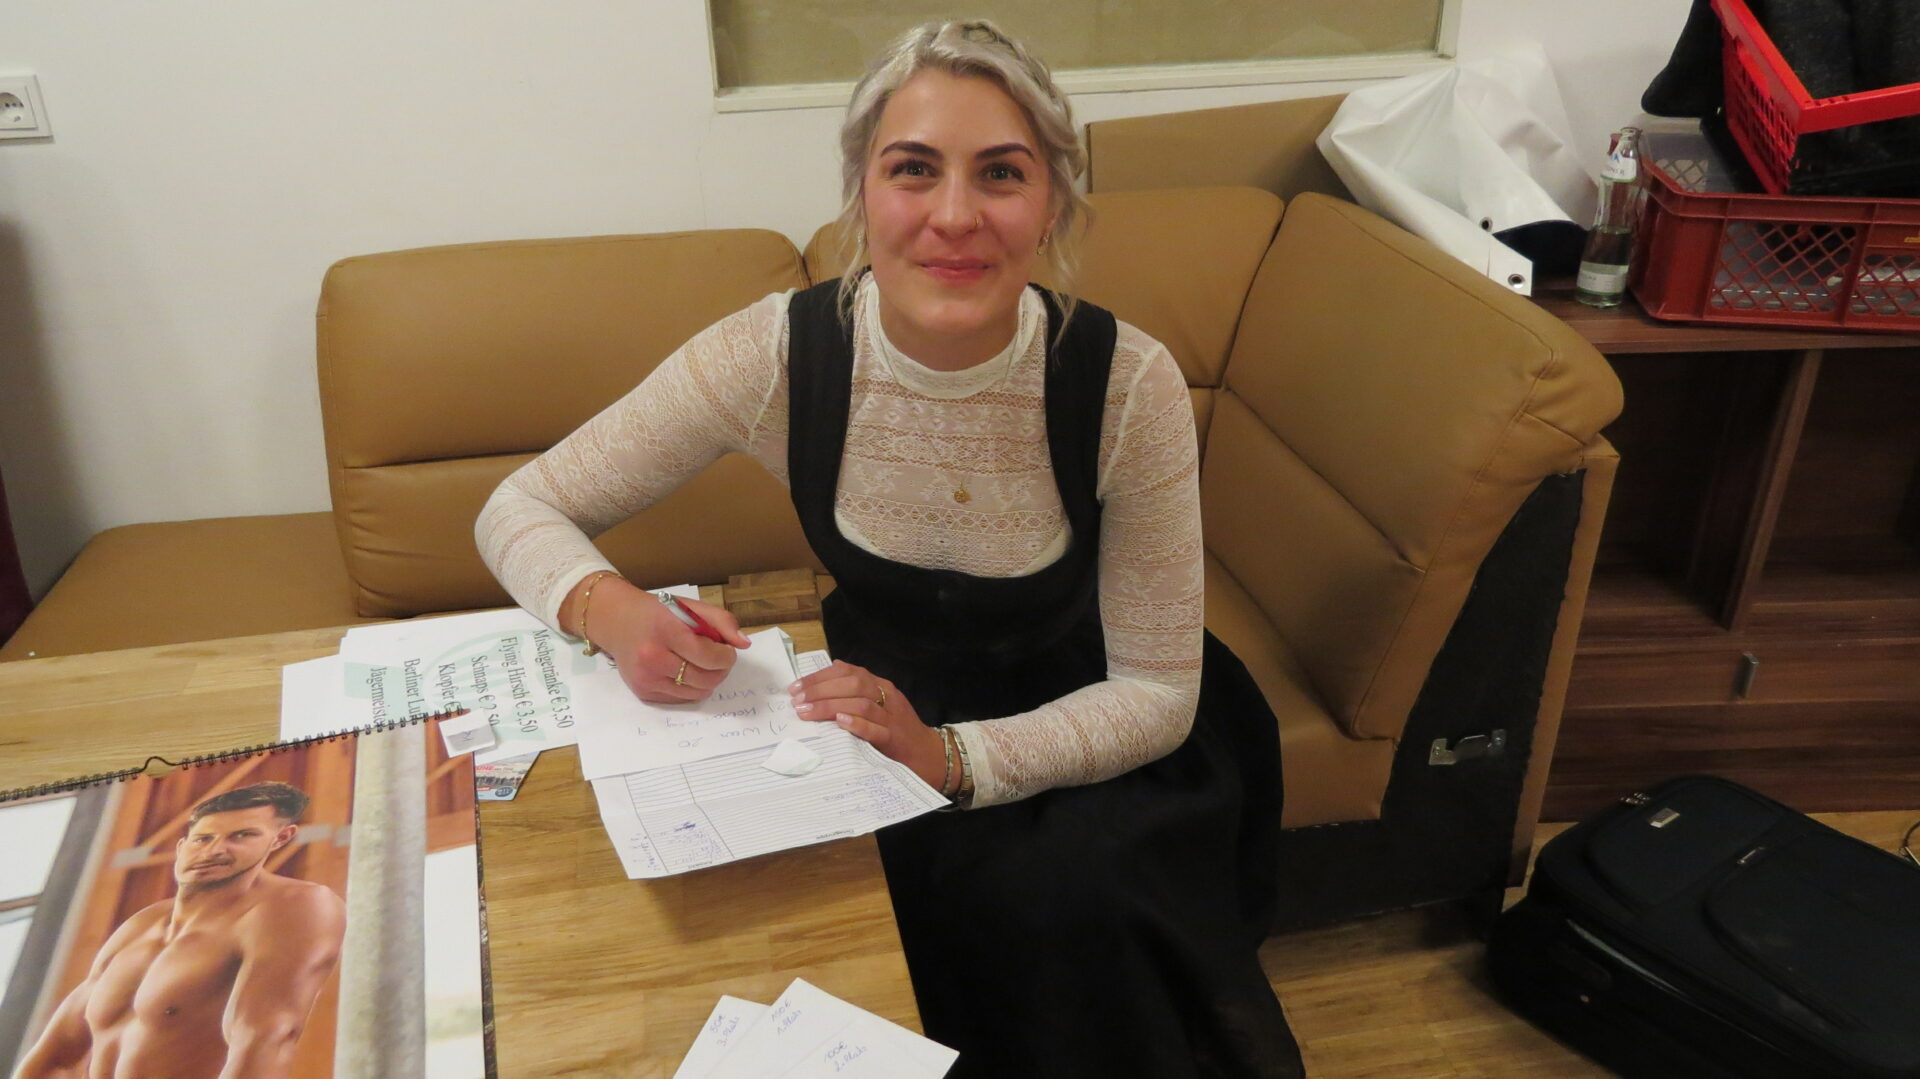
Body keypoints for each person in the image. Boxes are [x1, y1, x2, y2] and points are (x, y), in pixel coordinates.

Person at [476, 19, 1304, 1077]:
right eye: (914, 169)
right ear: (861, 193)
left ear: (1052, 204)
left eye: (1000, 173)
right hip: (871, 713)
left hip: (1093, 733)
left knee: (1064, 914)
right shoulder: (777, 355)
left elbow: (1155, 692)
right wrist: (609, 608)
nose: (955, 215)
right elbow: (519, 504)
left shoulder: (1124, 384)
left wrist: (949, 758)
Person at [13, 782, 347, 1079]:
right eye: (203, 838)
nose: (214, 850)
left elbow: (266, 1039)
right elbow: (57, 1057)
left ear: (280, 838)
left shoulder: (293, 907)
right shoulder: (140, 926)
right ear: (181, 846)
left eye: (242, 835)